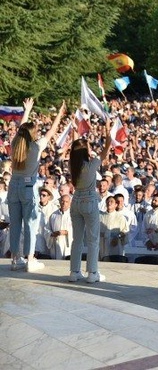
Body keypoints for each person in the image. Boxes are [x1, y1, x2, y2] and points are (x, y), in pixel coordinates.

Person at [8, 99, 64, 271]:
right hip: (28, 187)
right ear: (32, 134)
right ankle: (30, 259)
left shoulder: (15, 145)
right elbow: (52, 131)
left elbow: (21, 131)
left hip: (13, 185)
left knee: (15, 224)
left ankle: (15, 259)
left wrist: (27, 111)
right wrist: (60, 114)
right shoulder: (36, 146)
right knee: (31, 224)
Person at [68, 114, 112, 283]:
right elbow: (107, 149)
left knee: (77, 239)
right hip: (89, 202)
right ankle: (92, 273)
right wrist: (107, 130)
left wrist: (75, 130)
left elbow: (75, 149)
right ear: (85, 151)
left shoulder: (73, 164)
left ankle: (74, 271)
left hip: (75, 202)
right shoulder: (91, 165)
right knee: (92, 239)